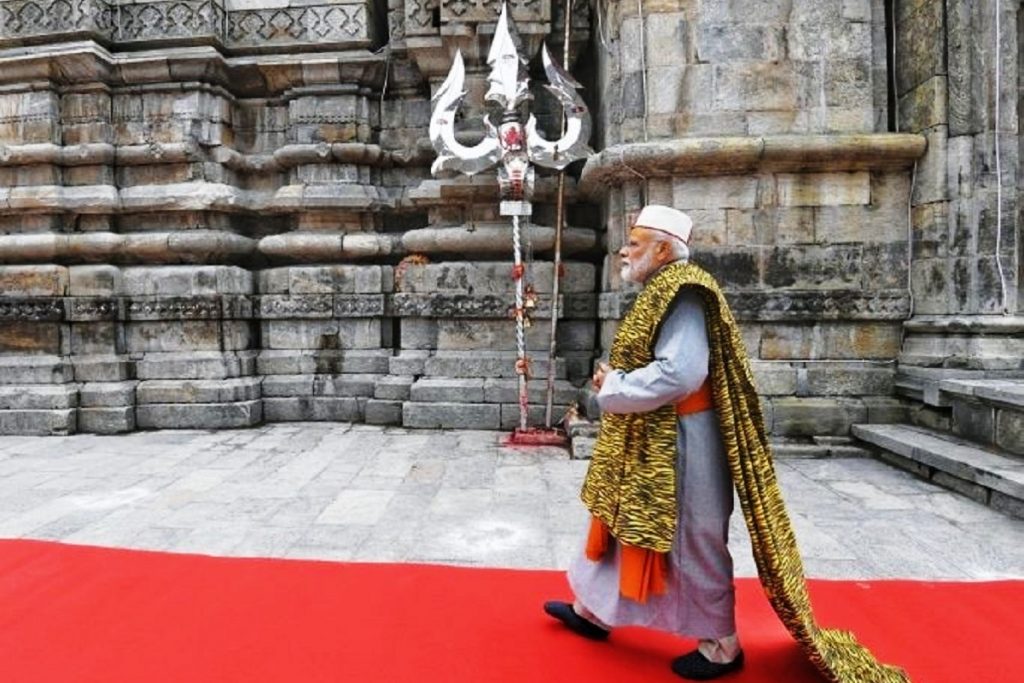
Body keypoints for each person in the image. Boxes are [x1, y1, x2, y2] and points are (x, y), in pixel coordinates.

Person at [543, 205, 907, 683]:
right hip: (651, 437)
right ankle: (594, 612)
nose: (623, 251)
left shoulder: (685, 295)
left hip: (683, 444)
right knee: (619, 524)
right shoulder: (662, 288)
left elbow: (681, 372)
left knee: (694, 539)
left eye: (634, 243)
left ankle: (721, 645)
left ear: (662, 249)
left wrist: (616, 386)